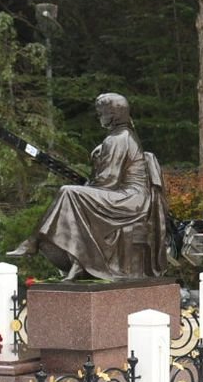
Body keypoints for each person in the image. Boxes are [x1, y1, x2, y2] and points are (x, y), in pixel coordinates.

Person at [10, 92, 170, 279]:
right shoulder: (124, 136)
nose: (99, 117)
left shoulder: (118, 139)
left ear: (113, 114)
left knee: (68, 192)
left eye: (101, 112)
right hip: (130, 197)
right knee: (72, 195)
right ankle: (77, 260)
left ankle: (36, 242)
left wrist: (87, 185)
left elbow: (107, 181)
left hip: (130, 199)